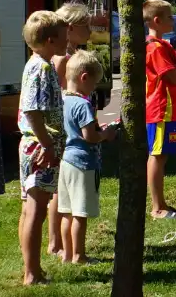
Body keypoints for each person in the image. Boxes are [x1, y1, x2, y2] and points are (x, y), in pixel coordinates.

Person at [17, 10, 69, 285]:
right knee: (35, 210)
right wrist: (47, 144)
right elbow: (33, 112)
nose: (67, 41)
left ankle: (31, 266)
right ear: (50, 40)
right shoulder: (43, 68)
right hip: (39, 147)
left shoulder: (35, 63)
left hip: (33, 145)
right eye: (63, 37)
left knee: (29, 207)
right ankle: (32, 272)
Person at [58, 50, 117, 264]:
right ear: (84, 78)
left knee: (66, 212)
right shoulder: (83, 104)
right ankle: (79, 255)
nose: (93, 89)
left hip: (65, 160)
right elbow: (89, 136)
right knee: (80, 213)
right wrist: (106, 134)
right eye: (94, 84)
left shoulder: (63, 99)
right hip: (83, 163)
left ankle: (66, 253)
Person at [47, 1, 93, 259]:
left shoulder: (71, 53)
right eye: (86, 25)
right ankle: (56, 242)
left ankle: (60, 242)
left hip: (67, 130)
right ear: (71, 27)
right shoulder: (63, 59)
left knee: (60, 188)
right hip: (63, 132)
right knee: (58, 189)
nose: (91, 30)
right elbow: (63, 95)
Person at [144, 0, 176, 219]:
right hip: (160, 108)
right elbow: (173, 75)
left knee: (163, 155)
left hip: (169, 109)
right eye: (170, 17)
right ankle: (157, 207)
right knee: (157, 155)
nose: (173, 20)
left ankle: (162, 203)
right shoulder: (155, 48)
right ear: (157, 20)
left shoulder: (166, 45)